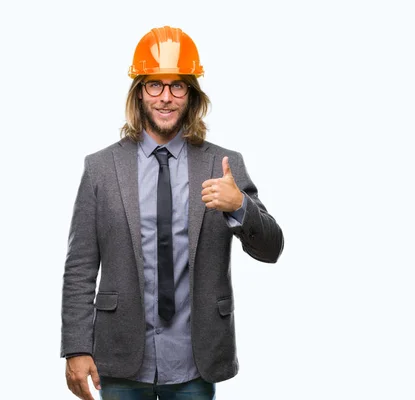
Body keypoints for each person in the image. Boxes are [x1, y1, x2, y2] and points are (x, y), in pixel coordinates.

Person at [60, 25, 284, 400]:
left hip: (195, 361)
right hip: (120, 357)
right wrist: (77, 346)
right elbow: (80, 265)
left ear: (192, 96)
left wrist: (240, 206)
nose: (166, 98)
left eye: (177, 86)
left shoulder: (223, 164)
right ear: (139, 92)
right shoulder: (100, 168)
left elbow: (271, 249)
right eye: (155, 85)